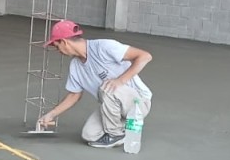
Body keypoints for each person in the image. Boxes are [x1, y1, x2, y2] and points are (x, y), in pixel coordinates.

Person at [36, 19, 154, 148]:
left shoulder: (104, 47)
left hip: (138, 103)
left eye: (57, 46)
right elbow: (74, 95)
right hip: (114, 106)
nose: (58, 51)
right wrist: (51, 115)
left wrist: (120, 80)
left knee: (106, 87)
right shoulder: (75, 66)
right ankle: (124, 127)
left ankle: (116, 134)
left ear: (64, 42)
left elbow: (145, 56)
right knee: (89, 135)